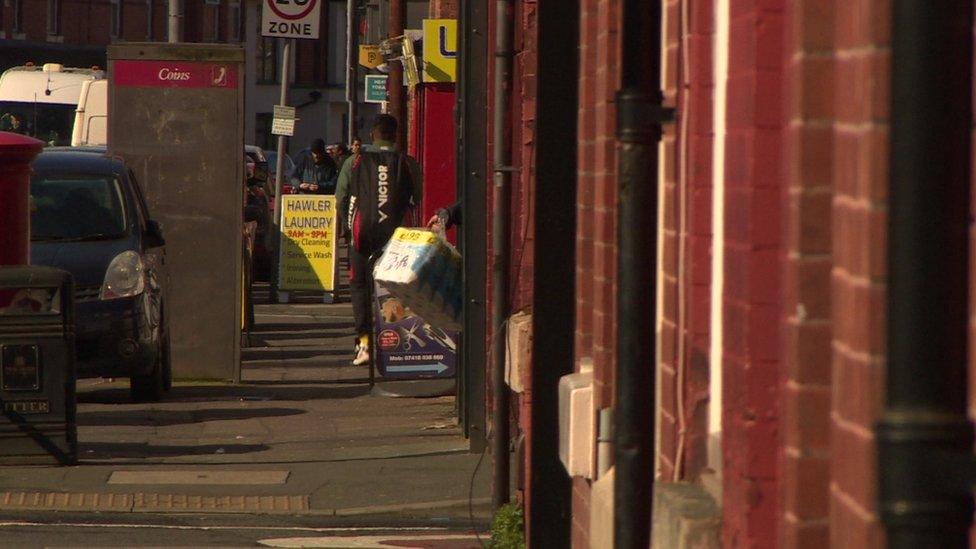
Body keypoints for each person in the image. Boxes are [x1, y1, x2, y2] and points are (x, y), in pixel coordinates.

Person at [341, 114, 422, 366]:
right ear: (396, 136)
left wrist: (349, 226)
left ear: (372, 136)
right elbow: (417, 198)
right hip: (396, 241)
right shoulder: (408, 163)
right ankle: (395, 347)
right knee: (396, 289)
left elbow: (340, 198)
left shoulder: (354, 162)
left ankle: (364, 348)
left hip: (360, 239)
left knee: (360, 290)